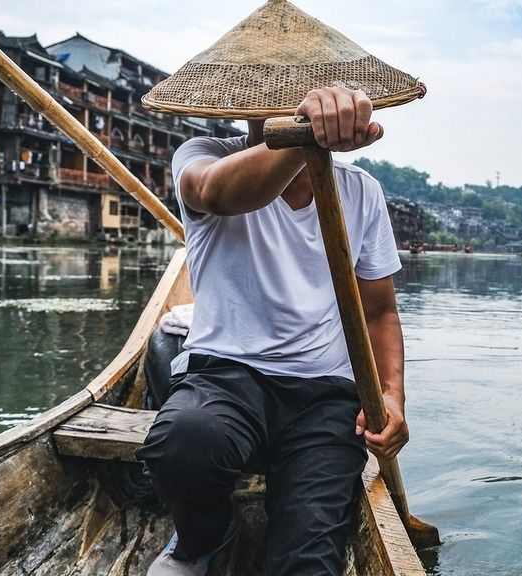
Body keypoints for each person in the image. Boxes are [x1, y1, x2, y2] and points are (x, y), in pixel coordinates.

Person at [138, 87, 408, 576]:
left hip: (325, 395)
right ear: (246, 101)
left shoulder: (362, 190)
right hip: (224, 376)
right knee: (182, 445)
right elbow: (215, 193)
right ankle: (207, 535)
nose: (284, 100)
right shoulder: (204, 155)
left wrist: (392, 396)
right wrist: (305, 138)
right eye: (272, 92)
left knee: (308, 562)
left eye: (299, 93)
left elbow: (380, 312)